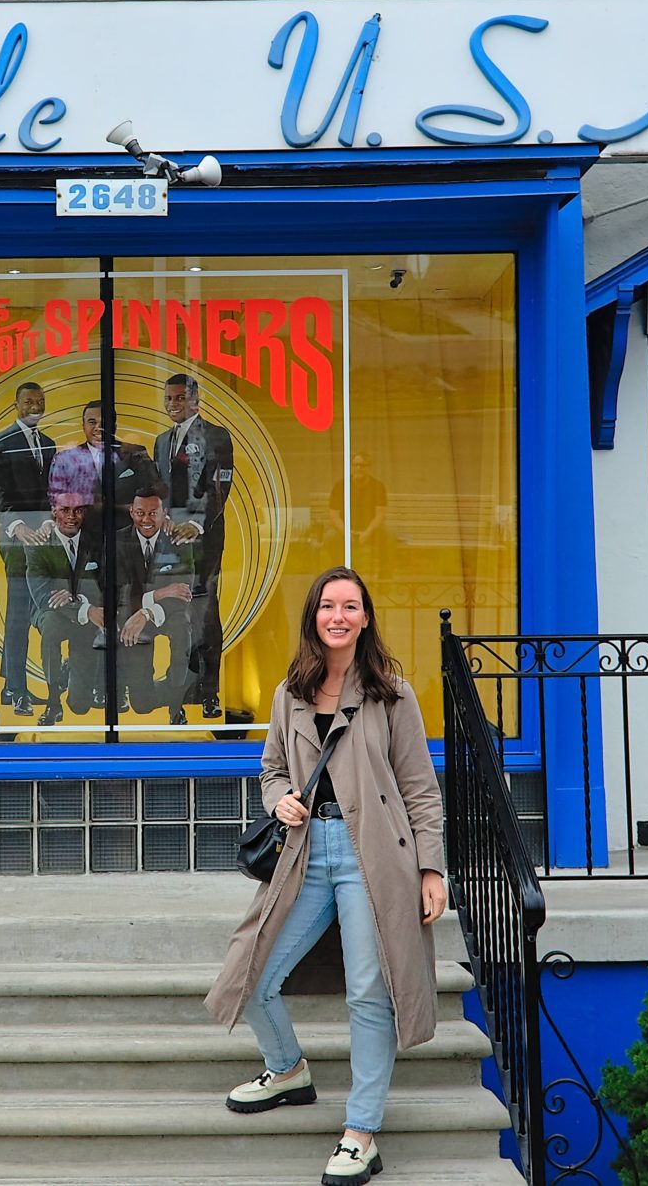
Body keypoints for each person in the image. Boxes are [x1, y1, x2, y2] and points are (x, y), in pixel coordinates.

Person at [204, 567, 449, 1186]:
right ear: (313, 616)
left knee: (370, 992)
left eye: (351, 606)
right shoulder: (291, 690)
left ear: (366, 618)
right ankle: (288, 1069)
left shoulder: (391, 692)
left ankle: (361, 1131)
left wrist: (431, 867)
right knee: (251, 970)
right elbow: (270, 770)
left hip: (377, 857)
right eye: (327, 606)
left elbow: (420, 788)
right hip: (306, 852)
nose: (338, 616)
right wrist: (281, 798)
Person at [154, 373, 234, 718]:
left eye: (180, 398)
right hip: (169, 540)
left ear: (195, 400)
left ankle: (209, 692)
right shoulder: (160, 441)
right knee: (177, 613)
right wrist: (164, 521)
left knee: (205, 612)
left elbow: (220, 488)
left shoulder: (217, 435)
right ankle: (179, 693)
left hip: (204, 539)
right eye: (169, 398)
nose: (174, 404)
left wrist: (195, 524)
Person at [0, 382, 55, 718]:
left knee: (38, 610)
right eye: (28, 401)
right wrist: (19, 528)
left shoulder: (50, 444)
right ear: (16, 405)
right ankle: (17, 690)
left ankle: (14, 686)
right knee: (20, 613)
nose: (34, 406)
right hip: (15, 539)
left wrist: (48, 525)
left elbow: (54, 491)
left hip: (46, 538)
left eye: (39, 401)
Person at [114, 488, 198, 724]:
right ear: (131, 512)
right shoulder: (118, 541)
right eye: (140, 513)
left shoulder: (179, 540)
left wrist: (148, 611)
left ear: (165, 514)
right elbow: (120, 593)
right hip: (131, 616)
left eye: (153, 513)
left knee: (182, 627)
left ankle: (176, 701)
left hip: (169, 612)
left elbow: (183, 591)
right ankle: (166, 689)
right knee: (142, 705)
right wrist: (160, 593)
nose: (146, 520)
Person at [25, 490, 106, 723]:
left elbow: (102, 587)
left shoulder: (96, 543)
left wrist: (78, 601)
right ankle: (53, 702)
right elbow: (43, 596)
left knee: (80, 707)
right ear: (54, 512)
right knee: (50, 625)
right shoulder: (38, 544)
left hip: (86, 614)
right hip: (51, 614)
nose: (71, 516)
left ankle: (71, 669)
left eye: (78, 510)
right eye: (65, 510)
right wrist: (85, 606)